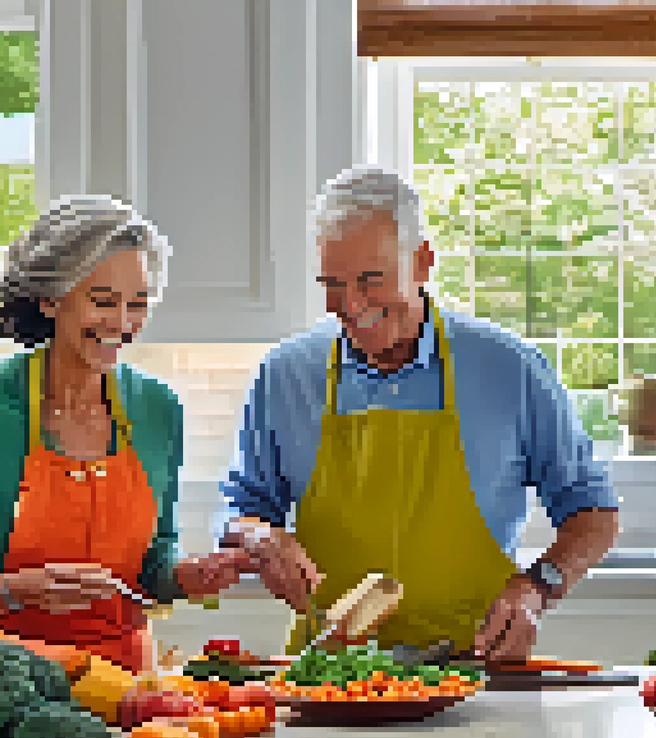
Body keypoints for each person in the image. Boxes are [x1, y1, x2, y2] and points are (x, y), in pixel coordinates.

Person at [219, 166, 622, 662]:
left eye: (371, 280)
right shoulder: (284, 375)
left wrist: (536, 587)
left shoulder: (510, 368)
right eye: (333, 283)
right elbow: (242, 506)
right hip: (330, 679)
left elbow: (593, 513)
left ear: (423, 261)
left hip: (477, 673)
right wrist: (257, 534)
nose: (351, 305)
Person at [0, 195, 254, 673]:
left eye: (139, 303)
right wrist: (15, 590)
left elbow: (151, 568)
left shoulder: (158, 410)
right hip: (0, 683)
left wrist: (188, 575)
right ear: (49, 299)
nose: (123, 323)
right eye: (103, 302)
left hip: (123, 688)